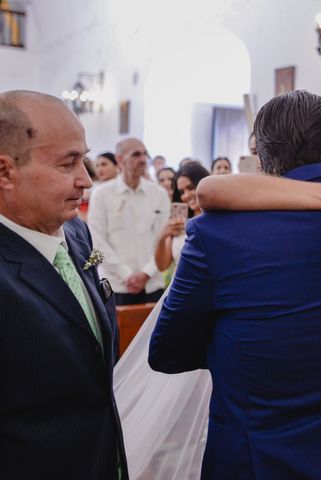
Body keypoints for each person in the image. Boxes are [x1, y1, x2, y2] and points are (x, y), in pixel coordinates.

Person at [149, 90, 321, 479]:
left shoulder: (213, 234)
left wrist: (241, 345)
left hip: (256, 458)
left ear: (262, 160)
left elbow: (167, 351)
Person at [0, 90, 128, 479]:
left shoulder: (76, 233)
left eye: (84, 159)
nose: (86, 179)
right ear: (5, 172)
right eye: (67, 163)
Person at [88, 137, 170, 305]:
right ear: (119, 159)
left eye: (144, 154)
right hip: (117, 286)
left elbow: (163, 238)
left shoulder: (158, 194)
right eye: (136, 154)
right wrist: (126, 274)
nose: (143, 159)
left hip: (152, 284)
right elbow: (97, 241)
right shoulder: (102, 195)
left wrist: (146, 273)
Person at [155, 162, 209, 273]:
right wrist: (162, 238)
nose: (186, 195)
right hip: (179, 286)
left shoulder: (219, 218)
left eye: (191, 187)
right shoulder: (179, 221)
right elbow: (162, 266)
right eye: (181, 192)